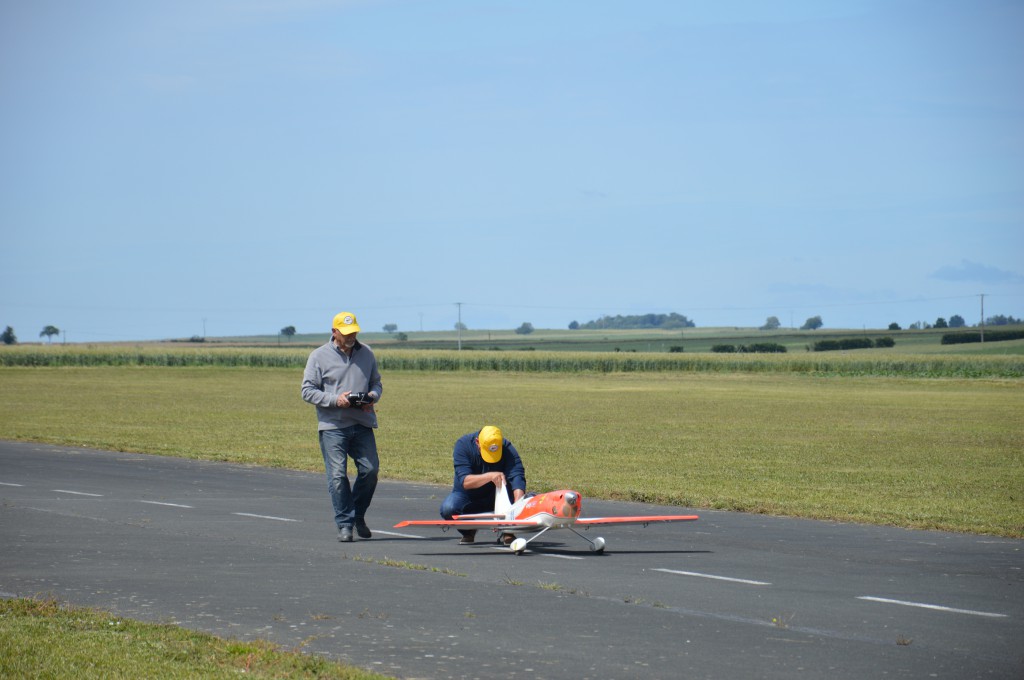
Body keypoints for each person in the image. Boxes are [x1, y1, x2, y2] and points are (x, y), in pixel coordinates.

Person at [301, 311, 382, 543]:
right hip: (333, 426)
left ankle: (357, 516)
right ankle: (345, 523)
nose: (351, 336)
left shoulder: (366, 353)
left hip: (362, 423)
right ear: (334, 332)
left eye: (354, 332)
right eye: (346, 333)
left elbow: (376, 381)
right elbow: (307, 391)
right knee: (337, 476)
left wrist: (372, 396)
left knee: (370, 470)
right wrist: (336, 400)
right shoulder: (318, 356)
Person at [439, 425, 526, 545]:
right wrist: (490, 476)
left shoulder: (506, 447)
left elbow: (517, 475)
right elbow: (466, 482)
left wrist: (517, 506)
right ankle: (468, 531)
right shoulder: (463, 445)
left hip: (496, 494)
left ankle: (508, 531)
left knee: (524, 498)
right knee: (448, 508)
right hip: (468, 496)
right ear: (477, 442)